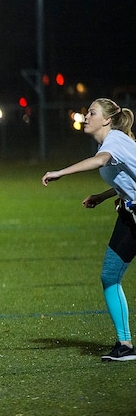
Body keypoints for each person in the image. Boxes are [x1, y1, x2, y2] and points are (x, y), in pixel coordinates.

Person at [42, 97, 136, 362]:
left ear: (106, 120)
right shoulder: (113, 141)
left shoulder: (114, 141)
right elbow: (125, 177)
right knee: (109, 276)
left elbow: (101, 161)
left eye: (91, 113)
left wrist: (61, 171)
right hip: (130, 216)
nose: (86, 116)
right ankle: (125, 345)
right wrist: (104, 195)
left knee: (110, 276)